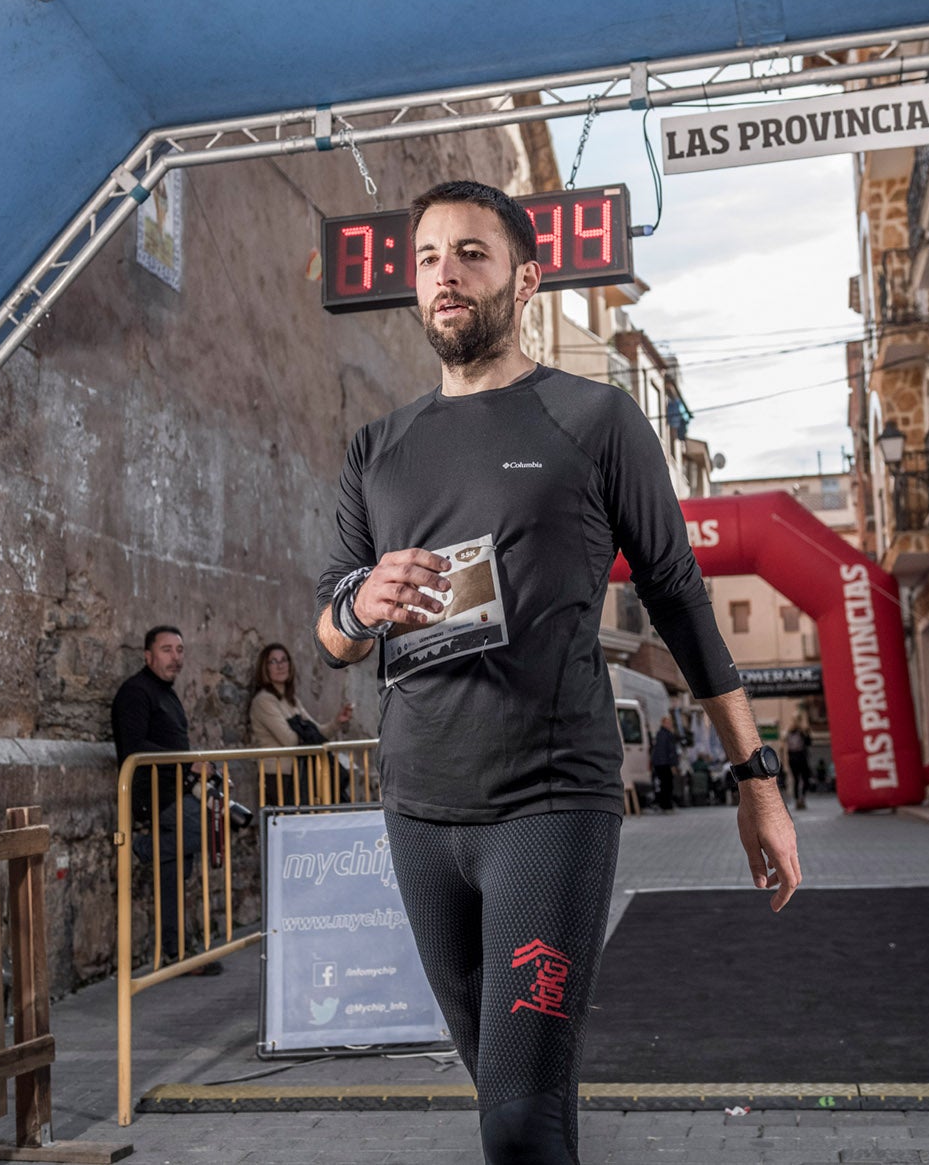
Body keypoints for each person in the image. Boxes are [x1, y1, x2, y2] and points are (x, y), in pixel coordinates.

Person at [315, 179, 802, 1165]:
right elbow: (330, 625)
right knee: (511, 1098)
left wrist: (756, 782)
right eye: (425, 259)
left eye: (470, 254)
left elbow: (676, 592)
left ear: (525, 278)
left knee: (515, 1115)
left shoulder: (592, 418)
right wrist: (359, 603)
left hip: (548, 803)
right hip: (416, 809)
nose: (442, 276)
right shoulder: (377, 447)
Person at [109, 625, 222, 975]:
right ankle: (140, 849)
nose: (176, 657)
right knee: (206, 828)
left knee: (174, 872)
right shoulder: (135, 692)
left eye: (180, 650)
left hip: (175, 789)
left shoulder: (167, 694)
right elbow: (133, 745)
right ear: (148, 655)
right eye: (167, 650)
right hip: (153, 795)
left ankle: (176, 954)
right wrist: (188, 762)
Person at [247, 641, 355, 805]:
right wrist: (306, 732)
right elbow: (290, 741)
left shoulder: (292, 701)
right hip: (278, 775)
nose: (280, 666)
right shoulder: (263, 701)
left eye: (284, 660)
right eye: (273, 661)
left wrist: (337, 721)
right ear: (265, 667)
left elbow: (317, 733)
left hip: (298, 774)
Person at [649, 714, 680, 813]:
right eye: (668, 723)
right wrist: (673, 764)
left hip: (660, 763)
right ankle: (666, 805)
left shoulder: (661, 734)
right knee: (667, 785)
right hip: (665, 764)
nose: (670, 724)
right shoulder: (666, 734)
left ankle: (665, 804)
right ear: (663, 723)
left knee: (664, 784)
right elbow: (669, 751)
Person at [783, 714, 813, 811]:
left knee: (805, 778)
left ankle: (802, 798)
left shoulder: (802, 733)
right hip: (794, 757)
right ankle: (798, 800)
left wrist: (805, 732)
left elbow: (809, 742)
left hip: (801, 756)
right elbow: (785, 744)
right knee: (796, 779)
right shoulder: (789, 733)